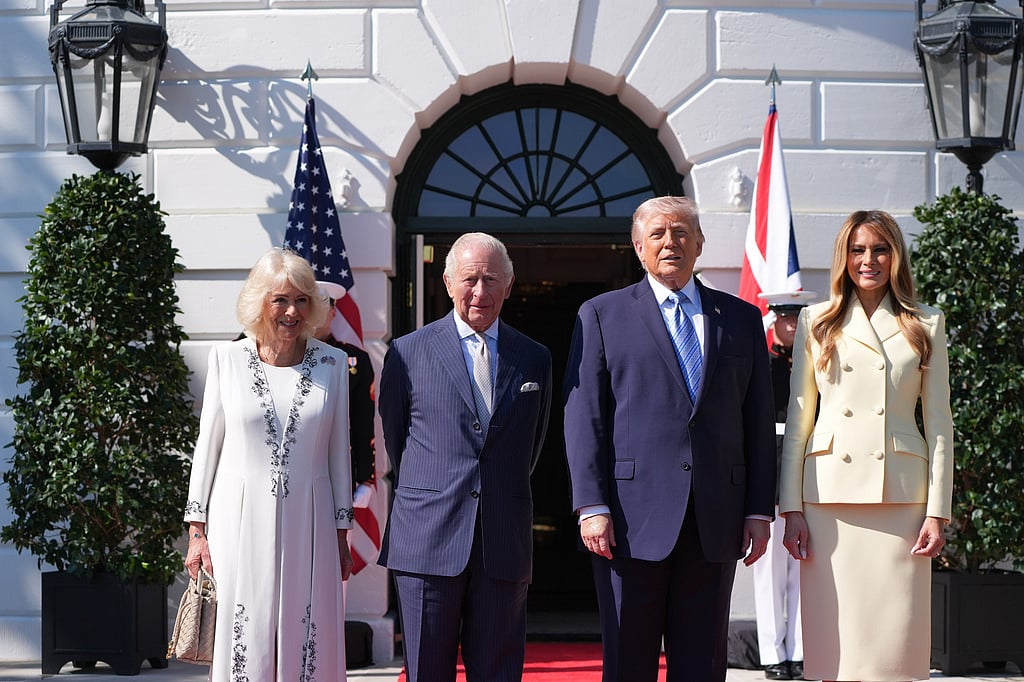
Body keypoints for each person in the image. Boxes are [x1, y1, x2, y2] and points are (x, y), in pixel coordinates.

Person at [563, 195, 777, 682]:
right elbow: (585, 418)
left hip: (715, 519)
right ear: (638, 247)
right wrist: (591, 506)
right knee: (628, 661)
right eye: (657, 234)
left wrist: (758, 510)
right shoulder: (600, 315)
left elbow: (757, 420)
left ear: (699, 244)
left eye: (681, 233)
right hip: (626, 521)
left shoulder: (740, 319)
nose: (669, 243)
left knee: (702, 663)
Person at [779, 210, 954, 682]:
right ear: (844, 257)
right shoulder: (816, 320)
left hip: (900, 498)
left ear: (895, 255)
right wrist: (790, 507)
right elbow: (800, 421)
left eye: (879, 249)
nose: (868, 259)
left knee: (896, 641)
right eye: (857, 250)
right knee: (836, 641)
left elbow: (939, 425)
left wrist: (938, 511)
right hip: (828, 497)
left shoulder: (926, 322)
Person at [377, 232, 552, 682]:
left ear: (509, 286)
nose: (480, 292)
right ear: (449, 282)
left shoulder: (534, 358)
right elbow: (398, 441)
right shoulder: (407, 352)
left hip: (502, 543)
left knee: (498, 672)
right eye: (470, 279)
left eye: (492, 279)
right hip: (426, 542)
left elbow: (530, 446)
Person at [184, 247, 355, 682]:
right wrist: (196, 531)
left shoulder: (333, 364)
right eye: (280, 299)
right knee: (247, 632)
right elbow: (208, 447)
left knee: (308, 630)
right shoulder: (226, 360)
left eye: (301, 299)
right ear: (260, 302)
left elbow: (340, 453)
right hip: (237, 520)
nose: (292, 311)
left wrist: (342, 531)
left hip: (312, 521)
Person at [752, 291, 816, 681]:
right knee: (771, 571)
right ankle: (772, 653)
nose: (791, 326)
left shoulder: (814, 363)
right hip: (772, 467)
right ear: (773, 321)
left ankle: (799, 651)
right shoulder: (763, 362)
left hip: (808, 468)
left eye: (797, 320)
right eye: (784, 320)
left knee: (802, 567)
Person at [315, 282, 377, 507]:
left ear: (333, 312)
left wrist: (365, 479)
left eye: (319, 307)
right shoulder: (283, 358)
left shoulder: (353, 360)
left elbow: (363, 421)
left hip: (338, 473)